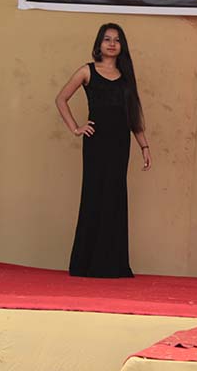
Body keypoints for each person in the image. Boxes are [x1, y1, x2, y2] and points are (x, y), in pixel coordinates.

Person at [55, 23, 151, 278]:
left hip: (120, 143)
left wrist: (144, 145)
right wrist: (76, 128)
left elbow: (133, 115)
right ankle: (85, 263)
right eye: (107, 39)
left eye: (116, 40)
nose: (111, 43)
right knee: (94, 195)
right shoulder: (87, 71)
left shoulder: (126, 76)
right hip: (96, 143)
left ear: (122, 46)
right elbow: (61, 99)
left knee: (115, 198)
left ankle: (112, 264)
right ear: (99, 43)